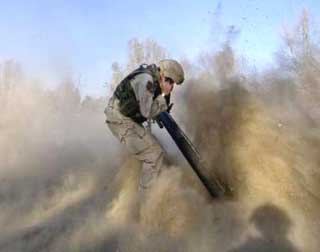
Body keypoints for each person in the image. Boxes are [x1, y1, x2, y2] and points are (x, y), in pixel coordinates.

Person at [104, 59, 184, 191]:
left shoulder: (153, 81)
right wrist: (163, 95)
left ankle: (129, 187)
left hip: (125, 117)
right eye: (170, 82)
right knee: (154, 153)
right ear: (163, 76)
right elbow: (147, 112)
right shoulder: (147, 81)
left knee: (152, 145)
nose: (171, 87)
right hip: (119, 119)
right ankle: (147, 200)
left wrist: (162, 95)